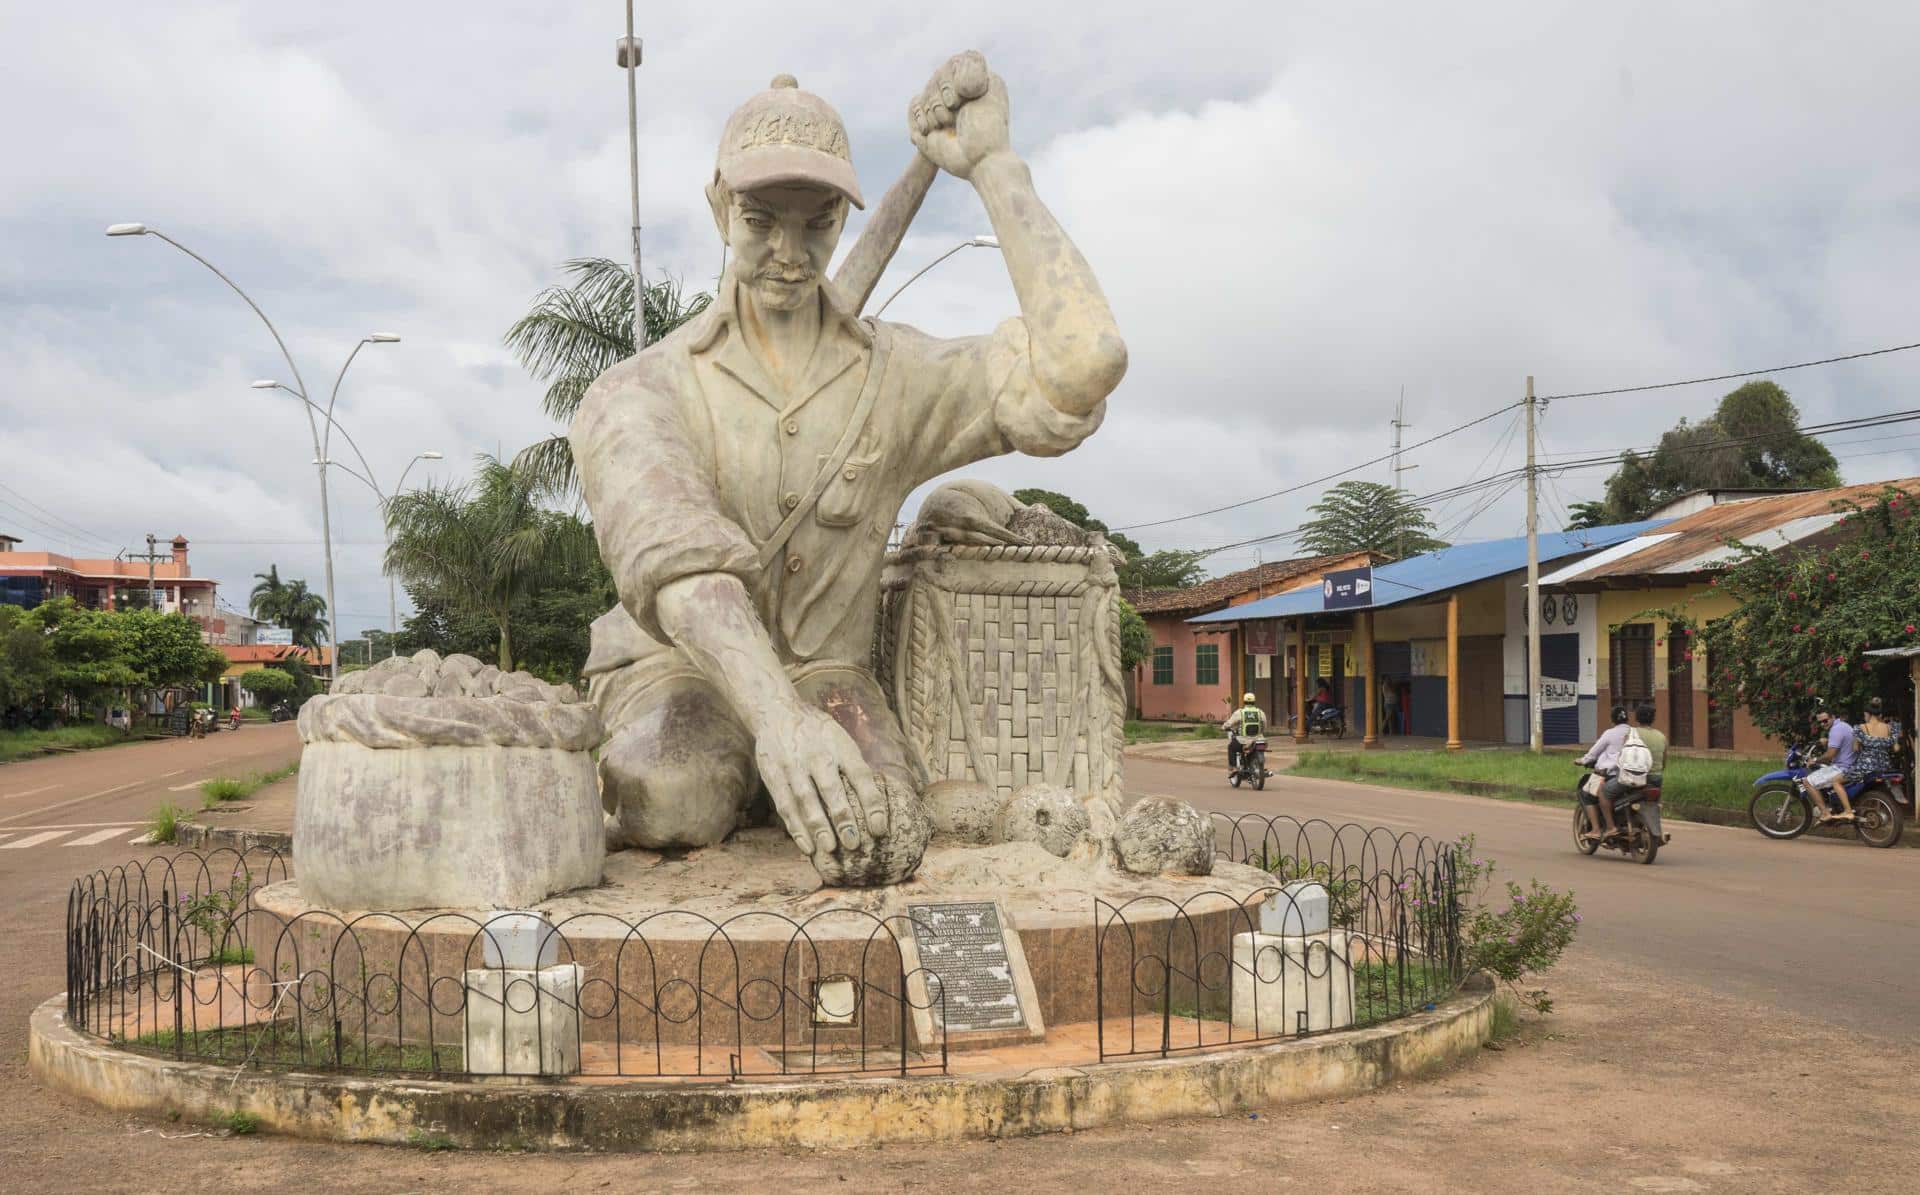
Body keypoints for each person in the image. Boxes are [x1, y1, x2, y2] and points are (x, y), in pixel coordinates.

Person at [572, 57, 1127, 886]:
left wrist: (993, 168)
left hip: (830, 675)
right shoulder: (642, 388)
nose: (790, 252)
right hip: (676, 666)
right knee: (673, 797)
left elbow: (1083, 364)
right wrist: (778, 724)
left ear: (842, 217)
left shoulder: (894, 375)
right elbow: (679, 563)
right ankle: (715, 776)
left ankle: (771, 784)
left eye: (818, 221)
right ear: (719, 205)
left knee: (877, 823)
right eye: (762, 221)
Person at [1576, 705, 1632, 839]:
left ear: (1612, 720)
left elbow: (1594, 752)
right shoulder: (1634, 732)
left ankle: (1596, 830)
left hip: (1613, 775)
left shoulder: (1610, 733)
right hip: (1636, 774)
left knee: (1587, 794)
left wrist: (1583, 760)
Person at [1804, 707, 1857, 822]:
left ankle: (1825, 813)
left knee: (1807, 781)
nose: (1823, 724)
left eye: (1825, 720)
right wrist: (1826, 742)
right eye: (1820, 722)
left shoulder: (1836, 730)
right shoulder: (1843, 726)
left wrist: (1815, 760)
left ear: (1833, 717)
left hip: (1843, 767)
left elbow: (1830, 755)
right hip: (1851, 764)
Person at [1844, 697, 1896, 791]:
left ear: (1868, 714)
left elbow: (1855, 748)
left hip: (1865, 768)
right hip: (1885, 767)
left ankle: (1847, 806)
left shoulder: (1860, 728)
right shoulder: (1890, 728)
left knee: (1837, 781)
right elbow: (1896, 748)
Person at [1222, 693, 1268, 774]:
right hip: (1258, 740)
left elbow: (1230, 723)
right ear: (1254, 702)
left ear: (1244, 702)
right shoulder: (1260, 712)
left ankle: (1234, 767)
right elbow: (1264, 725)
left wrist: (1224, 727)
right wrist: (1260, 733)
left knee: (1231, 747)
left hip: (1243, 740)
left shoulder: (1240, 712)